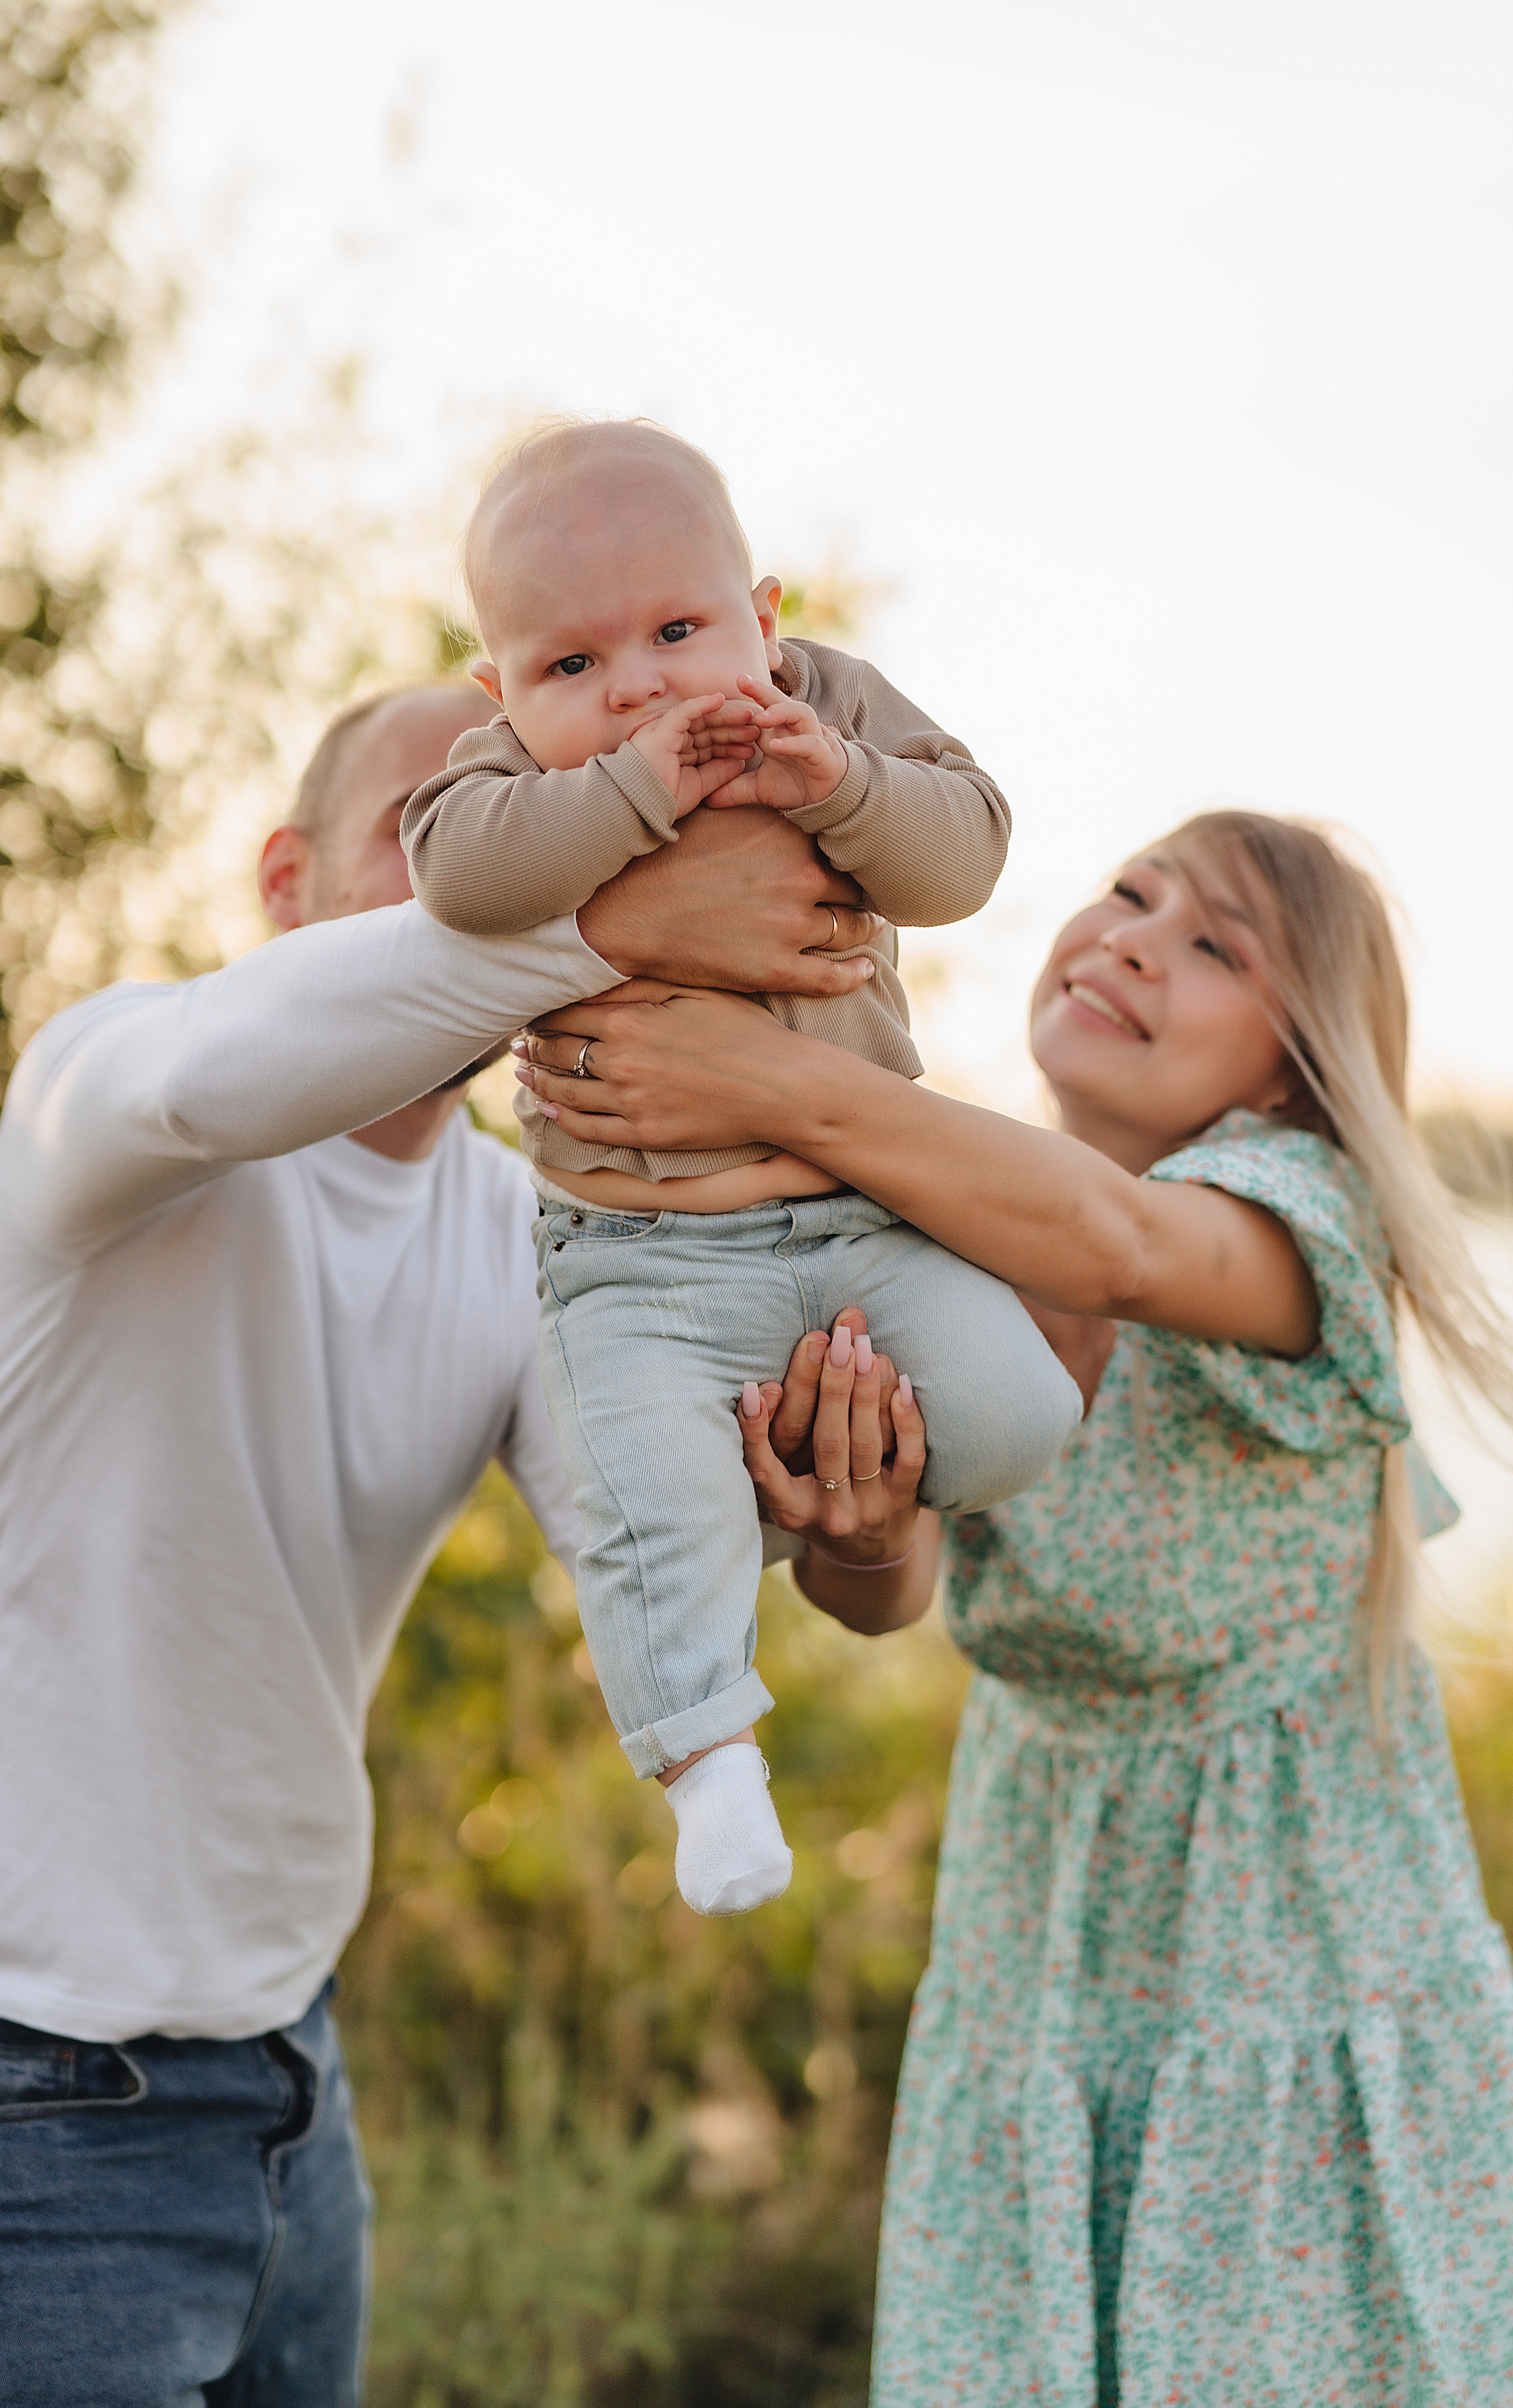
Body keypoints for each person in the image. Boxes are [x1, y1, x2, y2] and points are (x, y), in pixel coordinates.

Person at [516, 807, 1513, 2406]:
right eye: (1130, 892)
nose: (1132, 936)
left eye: (1212, 945)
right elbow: (890, 1585)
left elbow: (1116, 1242)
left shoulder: (1286, 1207)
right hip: (1038, 1942)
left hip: (1289, 1964)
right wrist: (853, 1515)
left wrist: (776, 1078)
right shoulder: (941, 1233)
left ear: (1282, 1067)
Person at [0, 676, 887, 2408]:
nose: (508, 870)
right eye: (437, 830)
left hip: (285, 2066)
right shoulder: (115, 1093)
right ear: (282, 881)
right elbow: (222, 1072)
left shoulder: (525, 1225)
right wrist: (597, 918)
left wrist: (838, 1509)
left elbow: (647, 1546)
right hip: (0, 2080)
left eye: (558, 820)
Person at [400, 419, 1081, 1916]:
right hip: (641, 1254)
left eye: (677, 629)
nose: (635, 682)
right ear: (497, 689)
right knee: (634, 1494)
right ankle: (707, 1764)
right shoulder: (509, 777)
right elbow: (458, 874)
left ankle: (767, 1490)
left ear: (762, 619)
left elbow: (961, 852)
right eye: (567, 665)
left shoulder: (824, 701)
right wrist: (634, 793)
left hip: (862, 1222)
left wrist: (838, 778)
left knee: (1020, 1411)